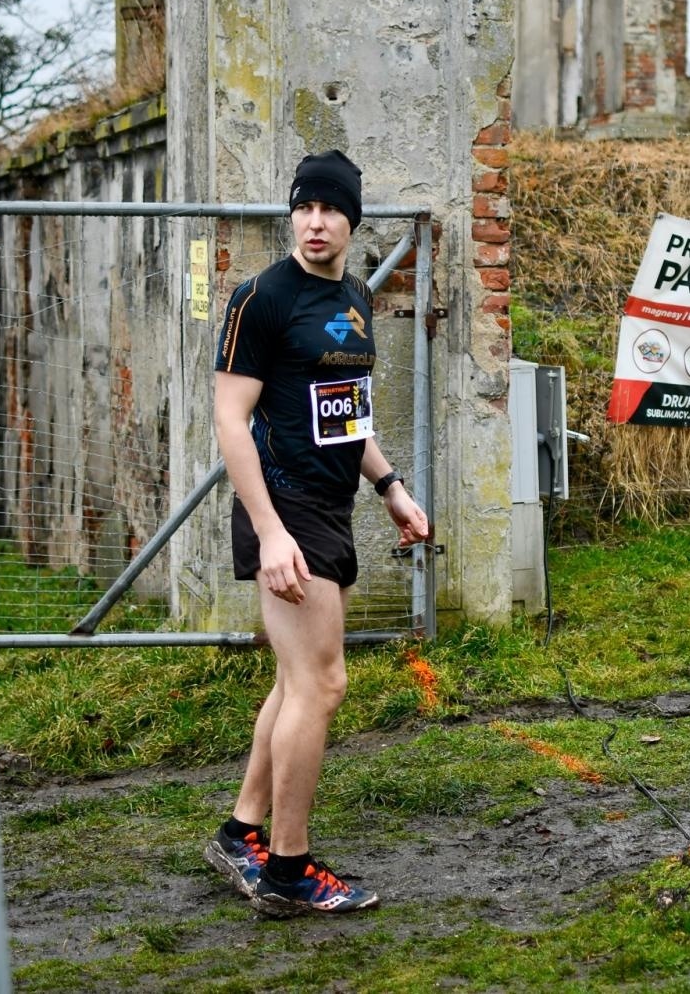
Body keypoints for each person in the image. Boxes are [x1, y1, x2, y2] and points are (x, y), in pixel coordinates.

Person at [204, 149, 429, 915]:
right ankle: (289, 874)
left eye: (330, 209)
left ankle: (243, 834)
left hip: (331, 507)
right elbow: (230, 420)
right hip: (284, 507)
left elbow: (345, 414)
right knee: (321, 683)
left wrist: (390, 486)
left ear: (351, 220)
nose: (315, 221)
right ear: (292, 214)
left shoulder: (358, 297)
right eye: (304, 207)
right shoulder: (261, 299)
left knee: (293, 682)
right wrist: (269, 532)